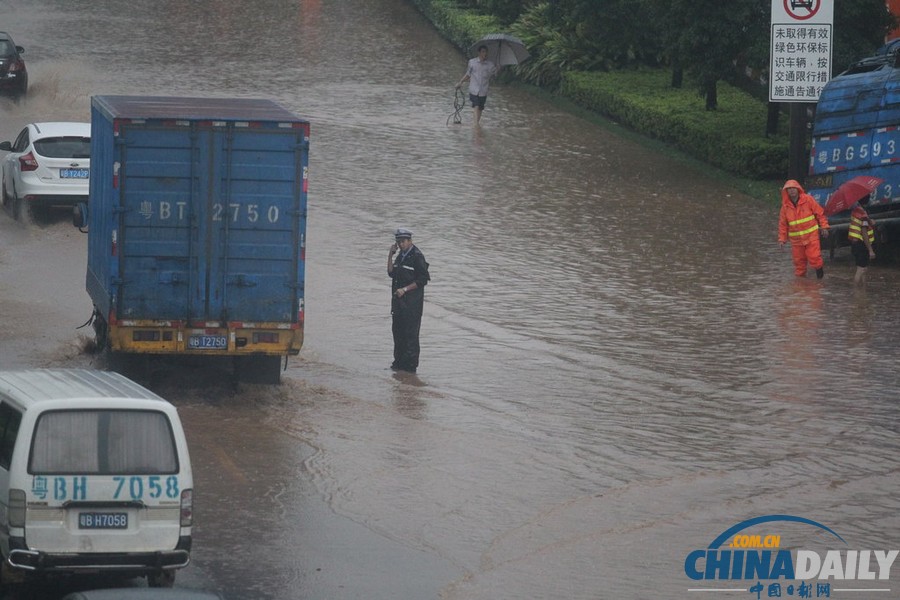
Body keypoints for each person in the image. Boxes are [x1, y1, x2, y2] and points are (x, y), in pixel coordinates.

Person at [388, 228, 430, 373]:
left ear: (410, 241)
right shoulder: (400, 256)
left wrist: (405, 289)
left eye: (403, 241)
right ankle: (398, 365)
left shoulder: (417, 256)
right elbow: (391, 273)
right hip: (398, 304)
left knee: (410, 336)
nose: (400, 244)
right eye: (398, 242)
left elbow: (423, 279)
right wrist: (390, 255)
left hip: (412, 305)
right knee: (398, 334)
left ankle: (410, 369)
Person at [778, 179, 830, 279]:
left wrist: (824, 227)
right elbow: (782, 224)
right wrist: (782, 239)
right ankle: (801, 289)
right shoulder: (785, 207)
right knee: (799, 265)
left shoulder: (808, 200)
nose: (792, 190)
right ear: (786, 191)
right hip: (796, 241)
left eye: (794, 188)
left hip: (811, 237)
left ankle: (820, 281)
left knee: (815, 259)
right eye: (789, 189)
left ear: (798, 189)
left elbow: (820, 214)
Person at [456, 45, 498, 126]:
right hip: (474, 89)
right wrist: (460, 82)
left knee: (480, 108)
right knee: (476, 106)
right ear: (479, 53)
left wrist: (499, 68)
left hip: (484, 90)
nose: (485, 53)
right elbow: (468, 74)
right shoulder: (472, 62)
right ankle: (475, 126)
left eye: (486, 52)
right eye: (483, 52)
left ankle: (476, 123)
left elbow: (495, 74)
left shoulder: (490, 64)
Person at [848, 193, 876, 286]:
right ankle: (857, 293)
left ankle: (863, 291)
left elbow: (863, 223)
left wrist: (869, 221)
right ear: (867, 200)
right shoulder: (862, 214)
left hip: (855, 244)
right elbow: (864, 232)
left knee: (864, 269)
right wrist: (870, 250)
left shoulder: (856, 211)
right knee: (861, 269)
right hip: (861, 244)